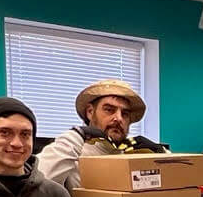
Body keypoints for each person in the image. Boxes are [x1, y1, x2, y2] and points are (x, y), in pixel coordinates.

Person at [37, 79, 167, 185]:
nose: (119, 118)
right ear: (90, 112)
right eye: (109, 110)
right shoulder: (72, 152)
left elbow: (179, 187)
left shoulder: (133, 155)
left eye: (125, 114)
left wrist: (162, 155)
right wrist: (77, 134)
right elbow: (36, 184)